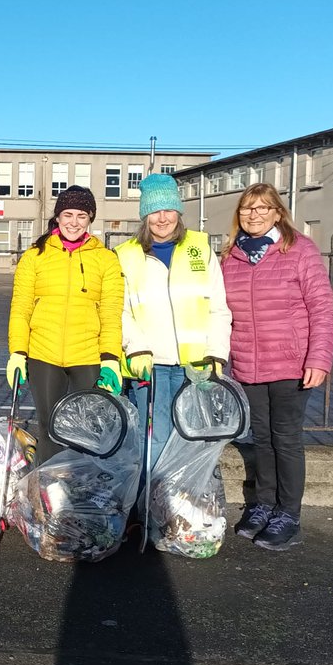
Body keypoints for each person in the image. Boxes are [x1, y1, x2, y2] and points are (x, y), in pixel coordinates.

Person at [221, 183, 333, 551]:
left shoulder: (299, 249)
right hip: (249, 364)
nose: (254, 215)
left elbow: (322, 308)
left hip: (290, 363)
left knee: (285, 440)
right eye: (247, 209)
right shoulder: (231, 256)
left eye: (262, 208)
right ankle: (264, 504)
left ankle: (288, 512)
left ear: (277, 212)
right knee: (261, 439)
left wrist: (318, 358)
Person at [115, 174, 232, 471]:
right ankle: (149, 508)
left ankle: (182, 507)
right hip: (149, 365)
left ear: (178, 211)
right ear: (144, 215)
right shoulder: (126, 255)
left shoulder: (200, 248)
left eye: (168, 209)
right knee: (153, 438)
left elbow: (218, 307)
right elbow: (119, 310)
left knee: (190, 438)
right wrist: (136, 348)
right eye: (154, 211)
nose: (162, 218)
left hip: (194, 366)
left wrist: (217, 353)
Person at [7, 185, 124, 465]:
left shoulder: (105, 259)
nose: (74, 222)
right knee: (49, 429)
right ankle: (47, 496)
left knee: (84, 429)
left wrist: (110, 358)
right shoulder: (35, 256)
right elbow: (21, 308)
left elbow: (111, 312)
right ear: (57, 217)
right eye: (68, 214)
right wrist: (17, 352)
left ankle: (81, 495)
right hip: (43, 354)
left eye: (81, 215)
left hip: (87, 355)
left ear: (90, 219)